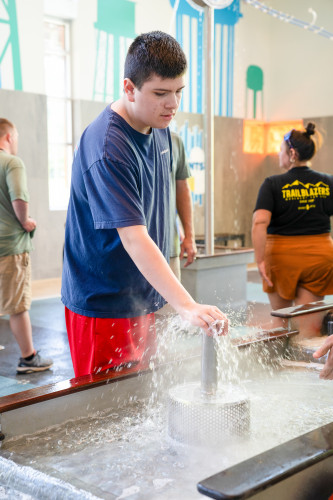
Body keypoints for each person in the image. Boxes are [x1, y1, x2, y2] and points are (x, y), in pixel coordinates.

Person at [61, 31, 228, 378]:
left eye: (179, 92)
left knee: (141, 401)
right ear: (129, 88)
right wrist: (186, 305)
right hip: (103, 302)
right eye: (161, 93)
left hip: (142, 293)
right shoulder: (109, 146)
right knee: (105, 411)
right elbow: (134, 236)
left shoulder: (159, 124)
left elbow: (170, 192)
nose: (173, 105)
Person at [252, 122, 333, 339]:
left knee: (281, 323)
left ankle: (277, 369)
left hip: (281, 258)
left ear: (292, 153)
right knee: (310, 328)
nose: (279, 155)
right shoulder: (328, 182)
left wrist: (259, 259)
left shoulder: (272, 183)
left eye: (280, 150)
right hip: (319, 257)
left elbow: (260, 223)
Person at [0, 118, 53, 373]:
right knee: (18, 306)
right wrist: (26, 221)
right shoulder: (11, 162)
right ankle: (28, 358)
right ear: (8, 137)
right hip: (9, 246)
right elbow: (18, 197)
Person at [156, 132, 196, 318]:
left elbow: (182, 189)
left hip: (168, 248)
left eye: (176, 100)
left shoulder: (174, 141)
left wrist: (189, 236)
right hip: (131, 252)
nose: (171, 104)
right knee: (134, 327)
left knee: (166, 320)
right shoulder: (121, 138)